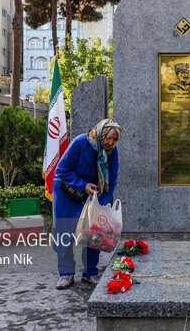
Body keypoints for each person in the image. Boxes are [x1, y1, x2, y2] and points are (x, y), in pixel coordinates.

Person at [52, 118, 121, 289]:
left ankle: (90, 273)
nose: (110, 142)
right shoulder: (81, 142)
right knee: (64, 233)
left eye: (114, 139)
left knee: (95, 233)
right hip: (66, 192)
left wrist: (102, 204)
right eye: (108, 137)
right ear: (100, 133)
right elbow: (62, 170)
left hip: (92, 196)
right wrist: (83, 185)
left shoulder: (112, 151)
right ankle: (66, 274)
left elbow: (111, 181)